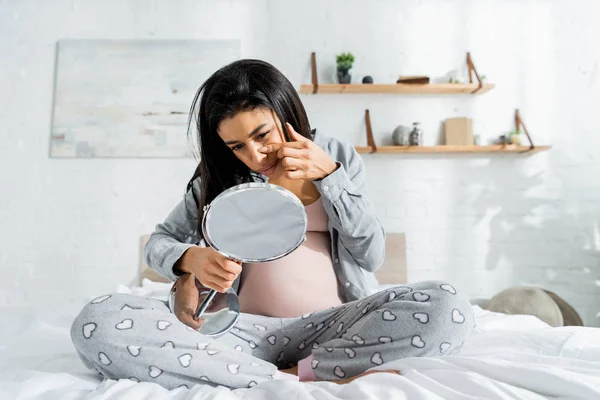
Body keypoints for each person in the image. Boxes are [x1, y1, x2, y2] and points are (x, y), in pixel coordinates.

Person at [70, 59, 474, 390]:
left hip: (334, 327)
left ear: (285, 111)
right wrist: (190, 258)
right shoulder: (215, 178)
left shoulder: (337, 156)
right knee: (97, 322)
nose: (254, 154)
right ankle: (282, 377)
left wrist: (329, 177)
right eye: (236, 146)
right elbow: (159, 242)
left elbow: (371, 255)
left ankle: (296, 371)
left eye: (261, 135)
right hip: (237, 334)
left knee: (448, 306)